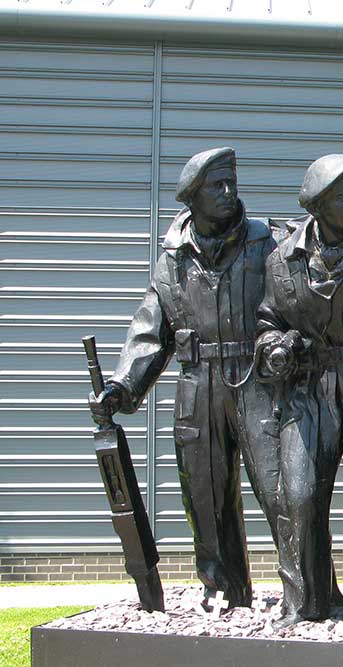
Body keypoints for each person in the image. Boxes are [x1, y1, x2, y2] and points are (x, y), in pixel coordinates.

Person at [89, 148, 280, 608]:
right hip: (197, 384)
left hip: (256, 379)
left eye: (232, 182)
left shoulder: (266, 242)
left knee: (282, 489)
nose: (229, 192)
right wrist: (120, 386)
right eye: (217, 185)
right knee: (204, 495)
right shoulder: (172, 260)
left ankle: (309, 590)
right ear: (192, 197)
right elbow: (150, 330)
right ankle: (223, 588)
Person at [254, 154, 343, 628]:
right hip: (310, 386)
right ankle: (308, 604)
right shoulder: (283, 259)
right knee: (299, 493)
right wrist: (275, 345)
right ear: (317, 207)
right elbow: (268, 320)